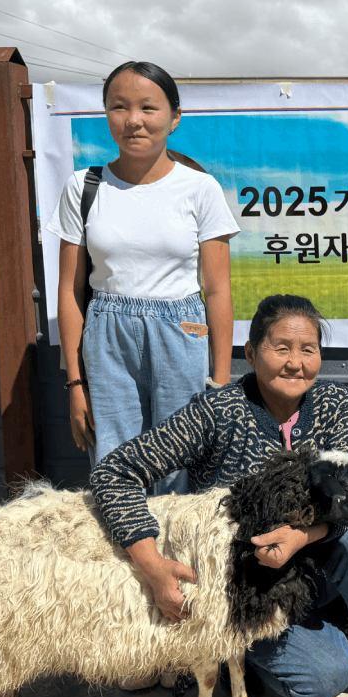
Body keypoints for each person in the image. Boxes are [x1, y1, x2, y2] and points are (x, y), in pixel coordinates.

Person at [88, 294, 348, 697]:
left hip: (310, 566)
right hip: (244, 585)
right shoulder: (217, 411)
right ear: (250, 353)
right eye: (281, 348)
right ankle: (230, 656)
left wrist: (299, 536)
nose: (295, 362)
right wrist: (150, 564)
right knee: (323, 679)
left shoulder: (332, 404)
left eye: (308, 350)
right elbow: (114, 471)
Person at [46, 61, 239, 490]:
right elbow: (70, 292)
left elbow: (218, 290)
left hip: (182, 330)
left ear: (174, 118)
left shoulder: (200, 188)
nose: (134, 120)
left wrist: (222, 384)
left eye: (148, 108)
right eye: (119, 107)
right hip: (107, 333)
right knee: (114, 461)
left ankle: (173, 555)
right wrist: (75, 383)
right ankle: (124, 556)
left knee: (180, 463)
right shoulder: (84, 187)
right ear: (106, 115)